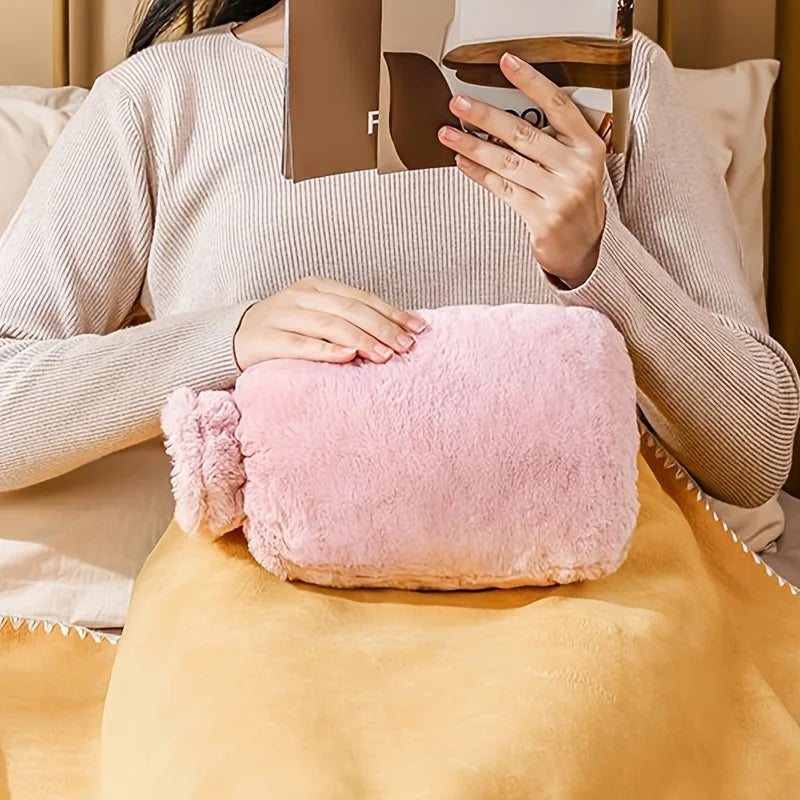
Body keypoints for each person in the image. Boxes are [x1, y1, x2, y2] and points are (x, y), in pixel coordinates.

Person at [0, 0, 797, 534]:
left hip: (578, 592)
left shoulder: (613, 82)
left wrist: (600, 258)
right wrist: (228, 339)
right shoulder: (164, 96)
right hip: (267, 611)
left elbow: (757, 455)